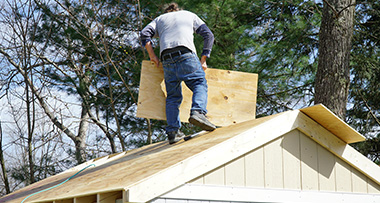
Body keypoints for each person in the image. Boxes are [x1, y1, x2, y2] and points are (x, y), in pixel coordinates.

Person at [140, 2, 216, 144]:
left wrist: (152, 56)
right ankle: (198, 112)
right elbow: (208, 35)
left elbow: (144, 34)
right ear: (178, 10)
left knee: (173, 97)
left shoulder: (160, 19)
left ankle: (173, 132)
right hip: (186, 53)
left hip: (166, 59)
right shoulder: (189, 15)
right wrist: (204, 59)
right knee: (199, 83)